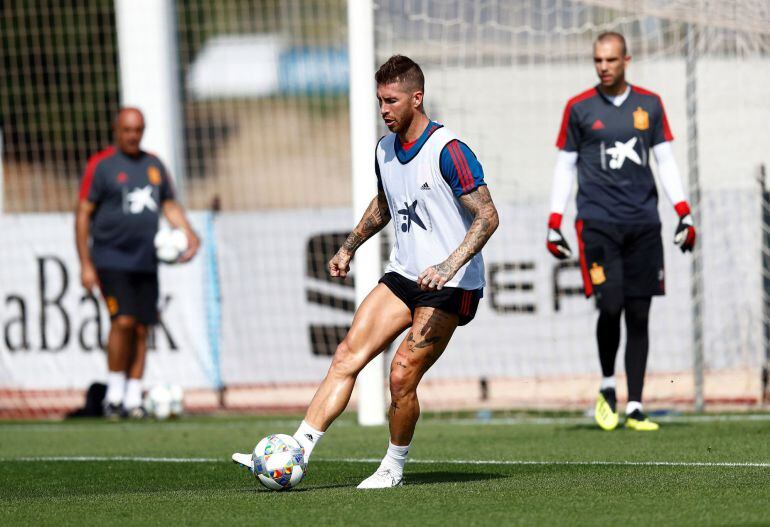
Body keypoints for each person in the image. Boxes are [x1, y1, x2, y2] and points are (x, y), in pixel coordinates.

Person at [233, 55, 499, 488]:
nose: (384, 110)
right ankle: (295, 451)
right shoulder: (384, 149)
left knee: (401, 374)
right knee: (346, 356)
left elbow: (487, 216)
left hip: (450, 285)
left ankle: (393, 467)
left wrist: (449, 265)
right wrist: (349, 246)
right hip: (404, 274)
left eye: (391, 101)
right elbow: (385, 203)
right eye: (379, 101)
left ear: (417, 97)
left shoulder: (449, 151)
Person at [546, 32, 696, 431]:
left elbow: (664, 160)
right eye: (598, 60)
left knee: (640, 313)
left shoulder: (650, 104)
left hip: (644, 223)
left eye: (610, 60)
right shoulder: (578, 108)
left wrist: (684, 212)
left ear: (626, 60)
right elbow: (565, 166)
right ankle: (608, 386)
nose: (603, 66)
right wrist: (554, 220)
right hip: (597, 224)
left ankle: (636, 405)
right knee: (610, 305)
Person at [75, 107, 200, 419]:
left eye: (138, 130)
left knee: (142, 327)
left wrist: (189, 232)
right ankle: (114, 395)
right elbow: (82, 214)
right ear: (117, 131)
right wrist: (85, 263)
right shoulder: (101, 166)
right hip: (110, 258)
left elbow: (168, 203)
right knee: (123, 321)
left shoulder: (153, 164)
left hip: (147, 260)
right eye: (128, 130)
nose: (133, 135)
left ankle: (132, 397)